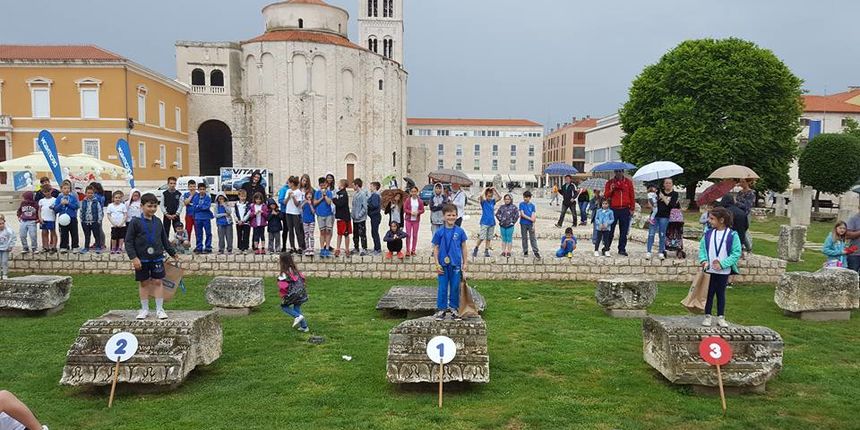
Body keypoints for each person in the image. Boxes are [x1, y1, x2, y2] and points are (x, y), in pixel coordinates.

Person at [125, 193, 179, 320]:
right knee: (144, 283)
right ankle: (144, 310)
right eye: (149, 206)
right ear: (142, 206)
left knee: (158, 281)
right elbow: (128, 242)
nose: (152, 209)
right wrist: (134, 258)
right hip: (141, 259)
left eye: (155, 206)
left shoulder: (158, 222)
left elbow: (164, 240)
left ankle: (160, 310)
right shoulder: (135, 222)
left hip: (157, 258)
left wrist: (172, 252)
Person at [699, 207, 742, 328]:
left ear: (721, 220)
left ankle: (721, 317)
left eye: (712, 218)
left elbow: (736, 253)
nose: (709, 220)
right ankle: (707, 316)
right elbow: (702, 249)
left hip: (723, 271)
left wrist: (723, 264)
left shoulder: (732, 235)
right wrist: (703, 260)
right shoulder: (708, 234)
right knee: (709, 293)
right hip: (709, 270)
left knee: (720, 294)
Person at [432, 204, 468, 320]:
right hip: (442, 265)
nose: (451, 217)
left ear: (457, 216)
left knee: (455, 287)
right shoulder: (439, 232)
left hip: (455, 264)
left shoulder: (460, 231)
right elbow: (436, 248)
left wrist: (465, 263)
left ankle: (454, 308)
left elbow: (464, 247)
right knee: (442, 287)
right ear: (443, 216)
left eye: (453, 215)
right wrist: (437, 264)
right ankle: (441, 309)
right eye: (449, 215)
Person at [603, 169, 635, 256]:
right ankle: (606, 247)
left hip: (625, 209)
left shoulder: (628, 182)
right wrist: (612, 189)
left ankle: (622, 249)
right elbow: (606, 195)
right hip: (613, 209)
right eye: (616, 171)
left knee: (624, 231)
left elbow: (632, 195)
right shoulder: (610, 182)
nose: (618, 173)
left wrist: (632, 208)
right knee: (610, 230)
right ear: (614, 172)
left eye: (620, 171)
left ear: (623, 172)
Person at [646, 178, 679, 260]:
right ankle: (648, 252)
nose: (668, 184)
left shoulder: (674, 194)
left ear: (672, 184)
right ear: (664, 184)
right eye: (666, 183)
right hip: (654, 216)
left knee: (662, 234)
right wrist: (651, 203)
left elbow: (671, 205)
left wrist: (663, 197)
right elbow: (652, 200)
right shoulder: (658, 191)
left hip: (664, 216)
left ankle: (661, 252)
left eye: (669, 183)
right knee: (651, 234)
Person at [277, 252, 309, 332]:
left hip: (293, 294)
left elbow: (283, 286)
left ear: (282, 261)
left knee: (284, 306)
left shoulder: (284, 273)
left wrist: (284, 295)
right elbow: (303, 279)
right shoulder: (295, 270)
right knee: (296, 307)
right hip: (301, 292)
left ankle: (297, 316)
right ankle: (304, 327)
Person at [474, 187, 501, 258]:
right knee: (482, 237)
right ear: (486, 196)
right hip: (484, 222)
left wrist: (495, 190)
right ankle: (476, 248)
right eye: (488, 196)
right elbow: (480, 196)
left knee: (489, 238)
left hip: (492, 222)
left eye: (491, 196)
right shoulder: (483, 202)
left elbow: (500, 197)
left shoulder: (492, 202)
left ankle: (486, 250)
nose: (490, 197)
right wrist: (485, 189)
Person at [52, 182, 80, 253]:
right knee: (63, 233)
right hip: (62, 219)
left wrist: (68, 203)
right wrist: (61, 204)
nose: (67, 190)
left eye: (68, 188)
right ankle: (63, 246)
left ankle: (75, 246)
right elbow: (56, 209)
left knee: (74, 233)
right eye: (64, 188)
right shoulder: (59, 198)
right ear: (61, 189)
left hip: (72, 217)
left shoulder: (73, 197)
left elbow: (76, 206)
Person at [281, 176, 305, 254]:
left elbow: (297, 204)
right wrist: (288, 196)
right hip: (288, 212)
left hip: (295, 213)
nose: (288, 184)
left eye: (289, 183)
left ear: (292, 183)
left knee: (298, 230)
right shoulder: (288, 190)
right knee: (290, 230)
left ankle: (300, 246)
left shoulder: (298, 192)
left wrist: (293, 197)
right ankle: (292, 246)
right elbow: (284, 202)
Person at [79, 185, 104, 254]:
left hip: (94, 221)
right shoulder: (83, 202)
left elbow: (99, 211)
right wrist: (81, 220)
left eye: (91, 193)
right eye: (88, 193)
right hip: (85, 222)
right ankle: (86, 247)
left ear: (94, 193)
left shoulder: (96, 202)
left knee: (96, 235)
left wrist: (99, 220)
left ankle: (98, 247)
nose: (90, 194)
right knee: (87, 235)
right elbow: (81, 211)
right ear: (85, 193)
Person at [313, 178, 335, 257]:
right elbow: (314, 203)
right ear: (319, 185)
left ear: (326, 184)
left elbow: (329, 202)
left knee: (328, 231)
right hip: (320, 214)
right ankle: (322, 248)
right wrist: (321, 198)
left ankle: (327, 248)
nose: (323, 187)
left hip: (328, 214)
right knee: (322, 232)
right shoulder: (317, 193)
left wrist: (325, 196)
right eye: (321, 185)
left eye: (324, 185)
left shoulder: (329, 192)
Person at [191, 182, 213, 254]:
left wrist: (199, 206)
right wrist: (201, 206)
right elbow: (194, 207)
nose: (202, 191)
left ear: (205, 189)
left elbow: (207, 207)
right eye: (200, 189)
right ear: (198, 190)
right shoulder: (195, 197)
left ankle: (208, 247)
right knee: (198, 233)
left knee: (208, 233)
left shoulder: (208, 198)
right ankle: (199, 247)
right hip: (197, 218)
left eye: (203, 189)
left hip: (206, 218)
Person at [403, 186, 425, 257]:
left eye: (415, 191)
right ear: (410, 192)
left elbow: (422, 210)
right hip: (408, 220)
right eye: (412, 191)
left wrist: (418, 212)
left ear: (417, 192)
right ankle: (408, 250)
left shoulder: (420, 201)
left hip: (416, 220)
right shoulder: (408, 200)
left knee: (415, 235)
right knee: (408, 235)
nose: (413, 193)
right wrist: (410, 212)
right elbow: (405, 209)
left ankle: (413, 250)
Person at [736, 179, 756, 253]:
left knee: (743, 232)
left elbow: (747, 206)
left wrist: (737, 203)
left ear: (748, 182)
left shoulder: (751, 193)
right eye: (740, 182)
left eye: (743, 182)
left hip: (745, 215)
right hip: (738, 214)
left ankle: (749, 248)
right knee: (737, 231)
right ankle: (740, 248)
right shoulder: (739, 192)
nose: (741, 183)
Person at [519, 190, 541, 259]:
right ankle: (525, 250)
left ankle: (535, 251)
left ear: (530, 198)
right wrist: (530, 219)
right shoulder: (521, 204)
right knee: (524, 237)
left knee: (533, 238)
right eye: (524, 197)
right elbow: (522, 214)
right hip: (523, 223)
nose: (525, 198)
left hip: (530, 224)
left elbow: (533, 215)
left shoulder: (532, 206)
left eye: (527, 197)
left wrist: (533, 224)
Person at [333, 179, 352, 257]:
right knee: (340, 233)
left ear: (343, 185)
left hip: (343, 217)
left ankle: (346, 249)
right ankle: (339, 249)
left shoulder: (343, 194)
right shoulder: (340, 193)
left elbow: (340, 204)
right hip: (342, 217)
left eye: (339, 184)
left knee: (344, 234)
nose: (338, 185)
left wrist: (334, 199)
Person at [37, 183, 57, 253]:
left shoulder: (54, 200)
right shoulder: (41, 201)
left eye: (48, 191)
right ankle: (46, 247)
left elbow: (56, 209)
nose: (47, 193)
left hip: (51, 219)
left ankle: (54, 246)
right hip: (43, 219)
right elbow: (39, 210)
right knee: (44, 233)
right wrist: (40, 218)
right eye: (45, 192)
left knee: (53, 232)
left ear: (51, 190)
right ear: (42, 192)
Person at [351, 178, 370, 256]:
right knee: (355, 234)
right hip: (354, 219)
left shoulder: (362, 194)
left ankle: (364, 248)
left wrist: (359, 215)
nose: (352, 187)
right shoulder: (355, 194)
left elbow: (365, 207)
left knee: (362, 234)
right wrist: (352, 214)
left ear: (357, 185)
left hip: (360, 219)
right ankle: (356, 247)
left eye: (353, 185)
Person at [368, 181, 383, 256]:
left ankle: (378, 249)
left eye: (371, 186)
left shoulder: (375, 195)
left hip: (375, 216)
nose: (370, 188)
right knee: (374, 232)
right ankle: (376, 247)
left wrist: (367, 204)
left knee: (375, 232)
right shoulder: (374, 195)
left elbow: (375, 205)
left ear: (375, 187)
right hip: (374, 216)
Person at [234, 189, 251, 254]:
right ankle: (240, 248)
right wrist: (237, 220)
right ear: (239, 196)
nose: (243, 198)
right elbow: (234, 213)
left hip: (246, 223)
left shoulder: (248, 204)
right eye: (242, 196)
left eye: (244, 196)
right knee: (239, 235)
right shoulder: (236, 204)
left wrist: (243, 220)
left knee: (246, 235)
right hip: (238, 222)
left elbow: (248, 213)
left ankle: (245, 248)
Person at [301, 189, 316, 256]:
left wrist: (310, 204)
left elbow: (313, 212)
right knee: (306, 235)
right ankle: (307, 248)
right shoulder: (304, 202)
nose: (309, 196)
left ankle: (312, 248)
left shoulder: (313, 202)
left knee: (311, 235)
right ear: (306, 195)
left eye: (310, 194)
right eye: (308, 194)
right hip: (305, 221)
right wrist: (305, 202)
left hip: (311, 220)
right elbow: (300, 208)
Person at [0, 215, 15, 280]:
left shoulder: (8, 230)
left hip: (5, 248)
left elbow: (13, 238)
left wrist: (10, 246)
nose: (1, 225)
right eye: (0, 224)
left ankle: (5, 274)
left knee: (4, 261)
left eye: (2, 223)